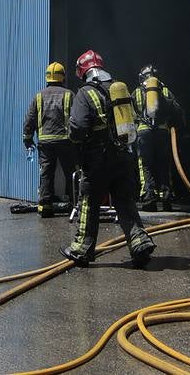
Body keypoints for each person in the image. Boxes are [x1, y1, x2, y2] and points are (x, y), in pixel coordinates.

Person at [63, 50, 155, 267]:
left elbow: (78, 128)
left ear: (83, 71)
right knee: (125, 202)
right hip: (123, 157)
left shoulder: (85, 93)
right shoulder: (118, 90)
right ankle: (139, 242)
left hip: (97, 161)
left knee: (89, 202)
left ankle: (82, 249)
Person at [22, 61, 78, 217]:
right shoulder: (69, 95)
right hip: (66, 141)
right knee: (71, 173)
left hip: (45, 142)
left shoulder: (39, 96)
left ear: (47, 77)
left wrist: (27, 139)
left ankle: (45, 207)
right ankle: (74, 205)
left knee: (46, 174)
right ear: (63, 77)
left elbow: (30, 119)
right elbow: (76, 118)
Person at [133, 65, 185, 211]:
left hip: (144, 133)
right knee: (163, 164)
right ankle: (166, 197)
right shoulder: (165, 90)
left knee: (145, 165)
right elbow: (177, 111)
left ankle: (149, 199)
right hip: (162, 132)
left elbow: (131, 113)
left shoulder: (137, 92)